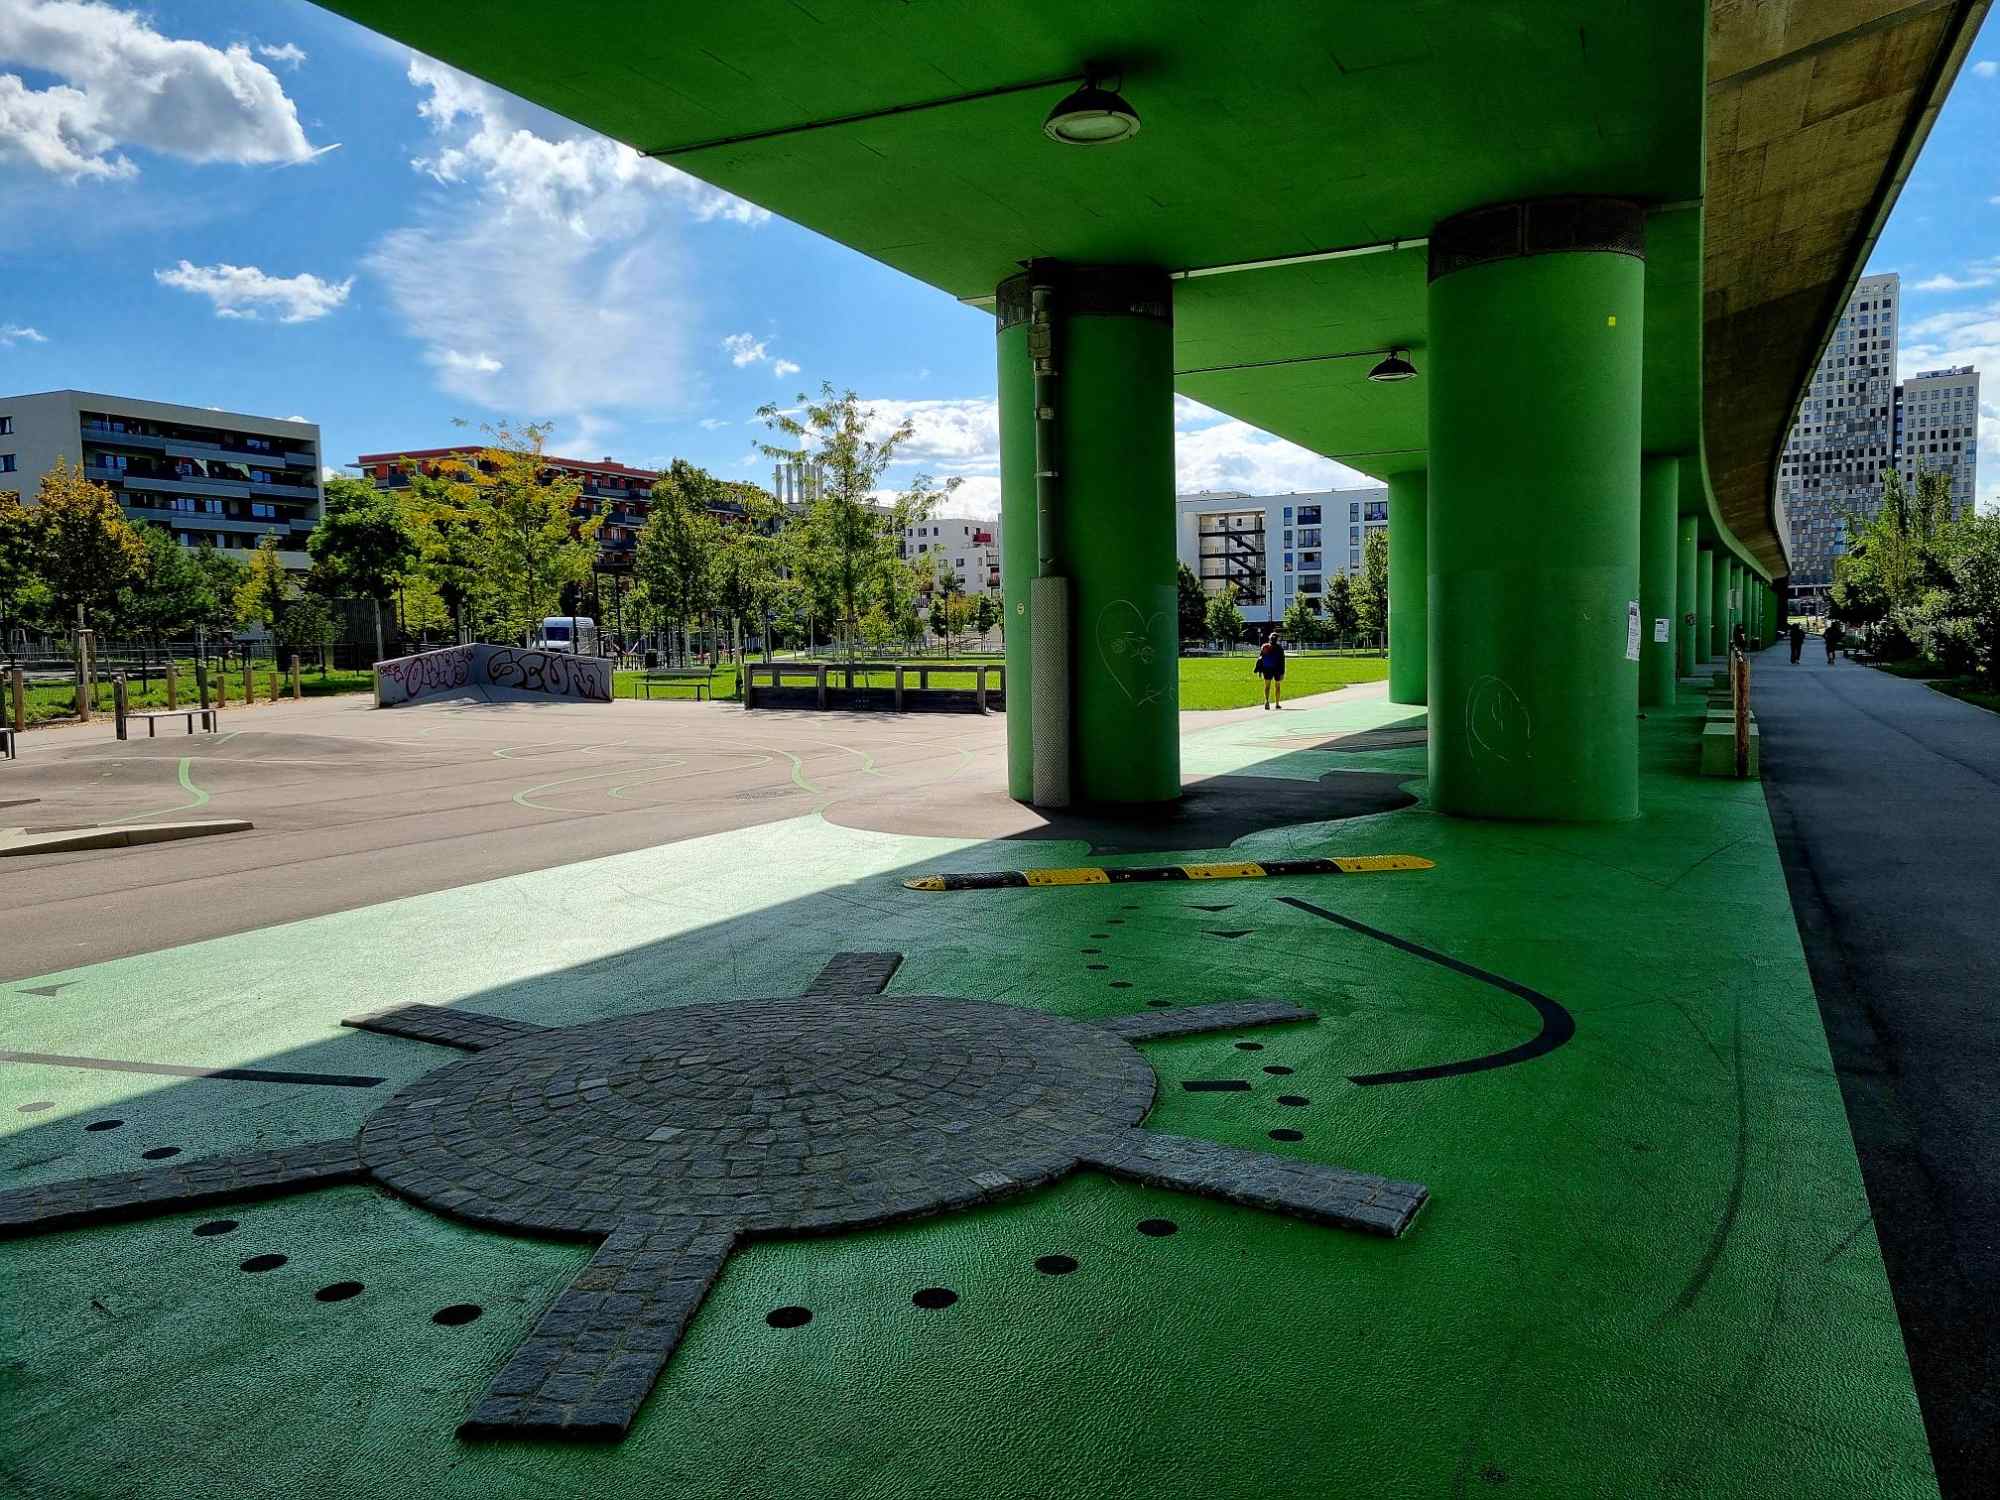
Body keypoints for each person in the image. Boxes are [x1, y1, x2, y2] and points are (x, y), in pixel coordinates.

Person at [1254, 629, 1286, 709]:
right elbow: (1282, 661)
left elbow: (1260, 659)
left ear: (1269, 639)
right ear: (1277, 639)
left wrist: (1260, 671)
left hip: (1267, 668)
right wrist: (1282, 672)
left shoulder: (1265, 647)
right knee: (1277, 686)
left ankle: (1266, 701)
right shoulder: (1279, 648)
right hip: (1277, 669)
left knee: (1267, 686)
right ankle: (1277, 703)